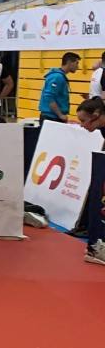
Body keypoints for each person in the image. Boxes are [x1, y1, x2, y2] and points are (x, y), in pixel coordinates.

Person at [76, 97, 105, 266]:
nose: (81, 125)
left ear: (96, 115)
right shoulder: (102, 128)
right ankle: (97, 247)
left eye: (83, 121)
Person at [39, 52, 81, 124]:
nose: (78, 67)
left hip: (54, 117)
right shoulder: (57, 77)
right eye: (76, 63)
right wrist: (60, 115)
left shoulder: (59, 76)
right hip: (51, 118)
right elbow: (49, 97)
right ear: (69, 62)